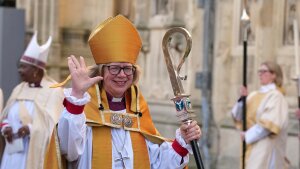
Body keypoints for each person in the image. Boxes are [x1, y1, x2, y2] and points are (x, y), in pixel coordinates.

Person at [44, 15, 201, 169]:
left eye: (127, 68)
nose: (122, 74)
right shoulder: (83, 111)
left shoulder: (138, 112)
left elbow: (157, 163)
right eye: (114, 68)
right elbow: (68, 150)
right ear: (101, 71)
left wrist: (182, 142)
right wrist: (77, 96)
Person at [0, 32, 64, 169]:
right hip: (11, 154)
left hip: (33, 153)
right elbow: (5, 116)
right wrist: (6, 127)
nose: (19, 70)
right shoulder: (19, 89)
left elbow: (56, 128)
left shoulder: (54, 91)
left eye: (23, 67)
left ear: (35, 69)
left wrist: (30, 129)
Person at [231, 61, 289, 169]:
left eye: (264, 71)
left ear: (274, 75)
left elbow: (269, 125)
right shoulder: (254, 95)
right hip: (251, 145)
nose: (260, 74)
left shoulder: (276, 97)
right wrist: (242, 99)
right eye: (259, 71)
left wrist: (247, 135)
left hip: (266, 146)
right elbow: (239, 117)